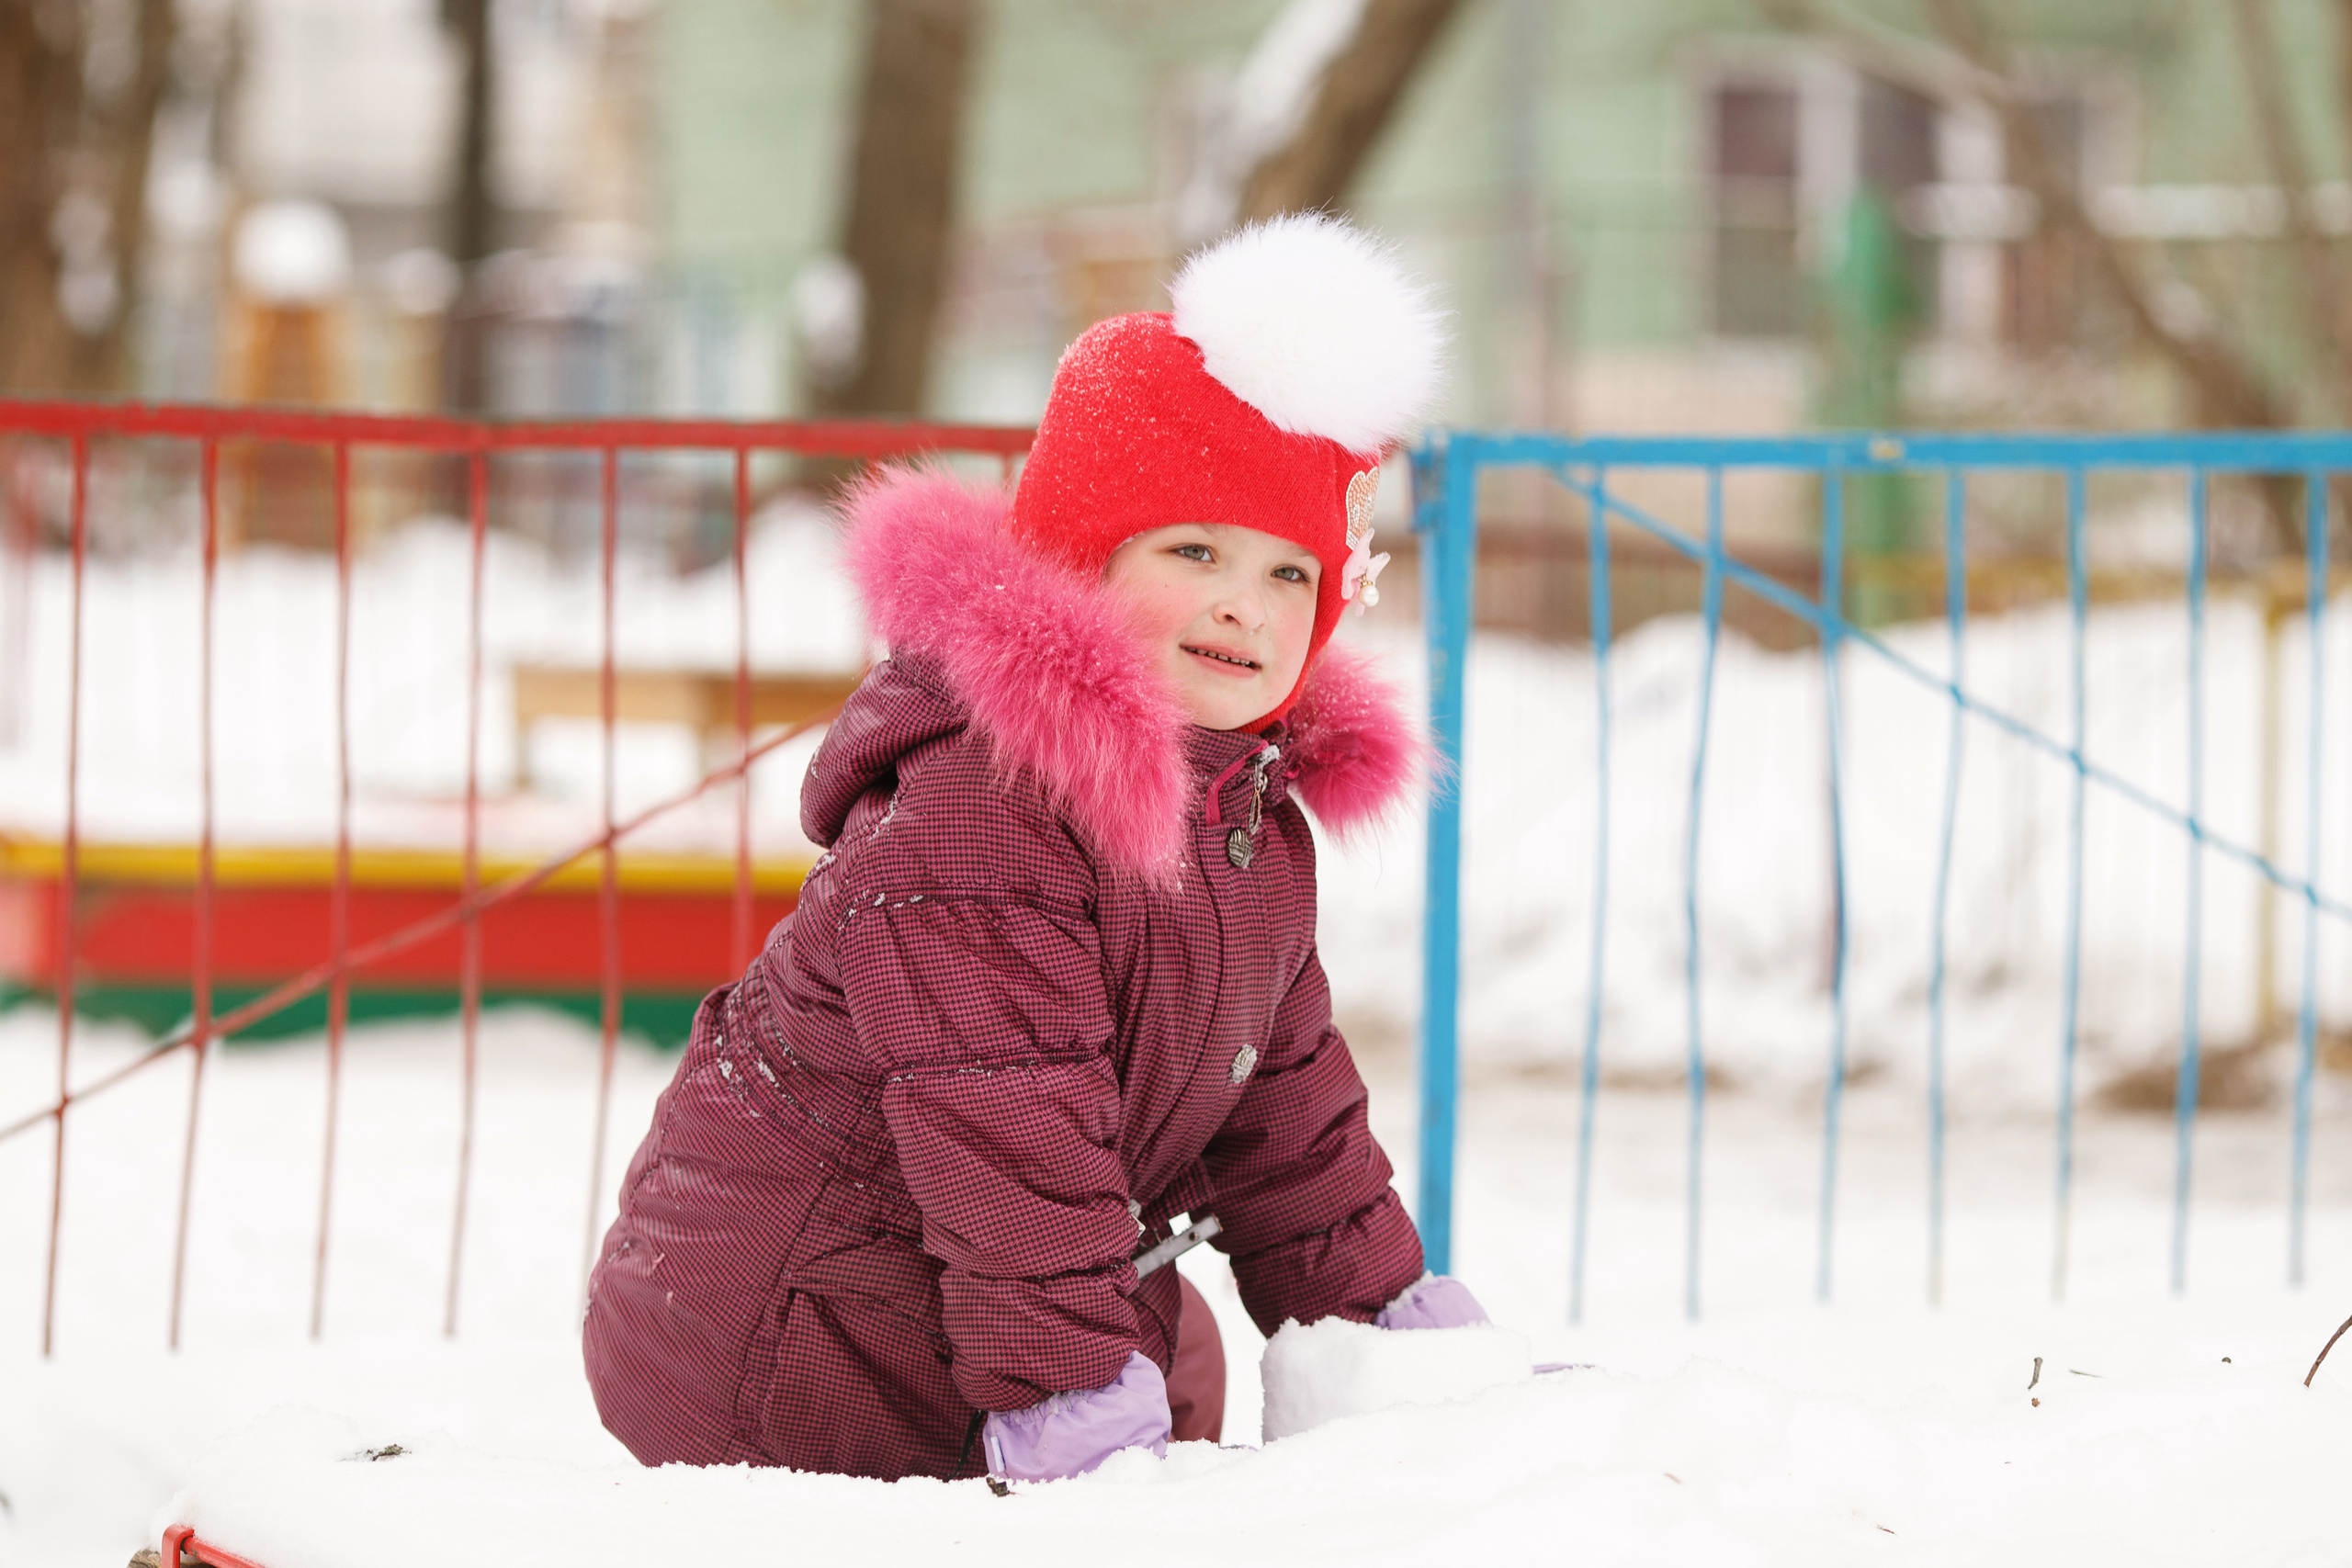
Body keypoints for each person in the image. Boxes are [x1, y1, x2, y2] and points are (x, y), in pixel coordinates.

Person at [582, 214, 1488, 1485]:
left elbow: (1292, 1129)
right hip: (784, 1332)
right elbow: (1006, 1125)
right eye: (1195, 551)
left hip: (978, 1287)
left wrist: (1385, 1342)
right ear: (1084, 552)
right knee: (1136, 1417)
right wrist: (1075, 1404)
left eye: (1293, 574)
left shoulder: (1247, 820)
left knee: (1183, 1386)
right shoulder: (987, 807)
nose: (1247, 602)